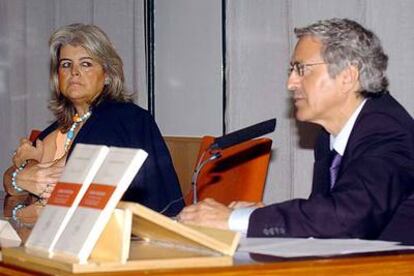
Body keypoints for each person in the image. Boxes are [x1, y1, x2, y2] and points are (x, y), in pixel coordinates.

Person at [178, 18, 414, 239]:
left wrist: (239, 220)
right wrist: (260, 216)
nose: (290, 83)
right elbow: (326, 219)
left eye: (302, 69)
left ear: (347, 77)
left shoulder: (388, 132)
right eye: (291, 71)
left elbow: (348, 217)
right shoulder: (329, 136)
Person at [3, 23, 184, 217]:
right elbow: (9, 180)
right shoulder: (62, 126)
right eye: (66, 64)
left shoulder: (124, 119)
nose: (74, 72)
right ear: (58, 76)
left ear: (107, 75)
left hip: (117, 238)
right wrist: (21, 177)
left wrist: (27, 167)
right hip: (46, 231)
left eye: (86, 64)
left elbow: (64, 182)